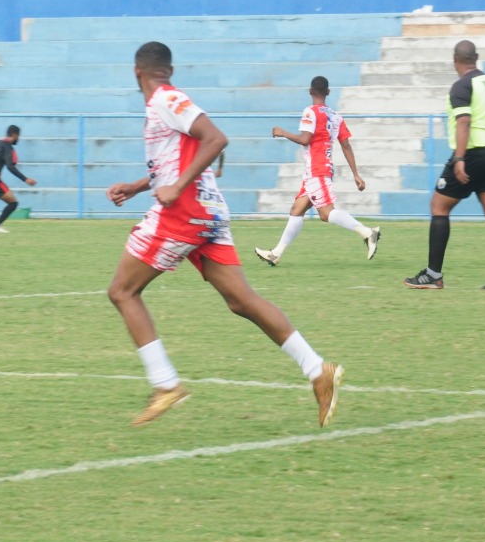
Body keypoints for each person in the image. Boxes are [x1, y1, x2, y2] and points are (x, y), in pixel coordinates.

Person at [106, 42, 342, 427]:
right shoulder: (168, 102)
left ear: (137, 71)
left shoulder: (165, 99)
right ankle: (318, 370)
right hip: (208, 210)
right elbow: (183, 154)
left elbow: (216, 139)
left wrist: (178, 186)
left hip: (185, 212)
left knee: (122, 290)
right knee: (240, 300)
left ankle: (166, 385)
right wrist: (138, 186)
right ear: (169, 68)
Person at [405, 40, 485, 290]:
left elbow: (463, 121)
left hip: (473, 153)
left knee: (439, 205)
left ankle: (433, 275)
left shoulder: (461, 86)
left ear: (455, 59)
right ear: (476, 57)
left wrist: (460, 158)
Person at [254, 76, 380, 266]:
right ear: (328, 92)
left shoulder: (310, 112)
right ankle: (276, 253)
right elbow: (346, 145)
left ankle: (367, 233)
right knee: (297, 210)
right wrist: (355, 173)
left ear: (310, 91)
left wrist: (283, 132)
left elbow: (305, 139)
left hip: (317, 169)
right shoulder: (336, 116)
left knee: (326, 213)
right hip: (322, 169)